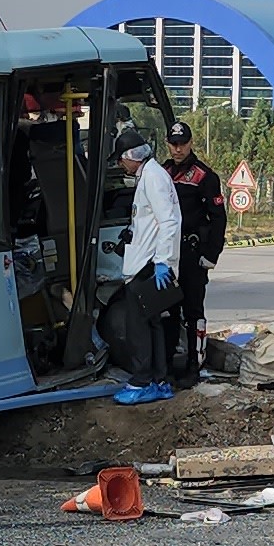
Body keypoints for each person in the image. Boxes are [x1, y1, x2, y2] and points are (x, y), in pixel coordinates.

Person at [106, 141, 182, 405]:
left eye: (121, 159)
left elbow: (169, 221)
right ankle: (159, 380)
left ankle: (142, 381)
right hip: (148, 260)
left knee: (137, 326)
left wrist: (162, 260)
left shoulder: (153, 178)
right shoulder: (152, 175)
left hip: (148, 264)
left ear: (131, 157)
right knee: (153, 323)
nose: (120, 164)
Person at [164, 120, 228, 385]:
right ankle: (165, 365)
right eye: (173, 144)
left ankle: (194, 365)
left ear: (190, 144)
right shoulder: (163, 172)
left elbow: (218, 218)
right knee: (167, 311)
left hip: (192, 253)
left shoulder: (205, 176)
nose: (178, 149)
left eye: (182, 144)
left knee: (193, 312)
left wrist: (211, 255)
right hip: (168, 253)